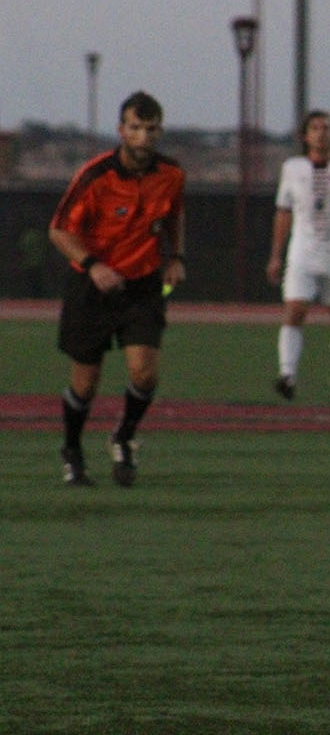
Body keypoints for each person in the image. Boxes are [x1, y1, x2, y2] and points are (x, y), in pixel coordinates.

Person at [48, 91, 186, 488]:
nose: (144, 136)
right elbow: (59, 230)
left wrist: (176, 257)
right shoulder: (95, 176)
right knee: (86, 381)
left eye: (152, 128)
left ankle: (123, 437)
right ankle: (72, 449)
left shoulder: (172, 174)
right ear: (121, 130)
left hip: (142, 285)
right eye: (136, 128)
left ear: (160, 130)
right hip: (91, 286)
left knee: (145, 373)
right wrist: (93, 266)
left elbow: (175, 214)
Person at [266, 110, 330, 401]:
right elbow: (284, 212)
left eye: (326, 127)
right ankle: (287, 373)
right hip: (303, 245)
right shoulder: (293, 168)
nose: (321, 132)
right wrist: (276, 254)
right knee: (295, 309)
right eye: (315, 127)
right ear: (305, 135)